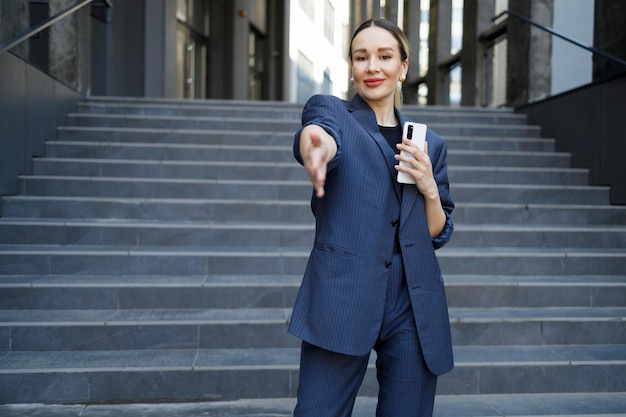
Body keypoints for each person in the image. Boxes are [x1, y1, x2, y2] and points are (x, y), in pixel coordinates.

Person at [287, 18, 455, 417]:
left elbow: (436, 230)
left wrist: (429, 186)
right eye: (361, 57)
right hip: (343, 294)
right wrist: (315, 148)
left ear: (404, 66)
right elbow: (320, 133)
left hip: (412, 301)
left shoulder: (429, 143)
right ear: (352, 65)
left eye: (384, 56)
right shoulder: (334, 113)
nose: (372, 67)